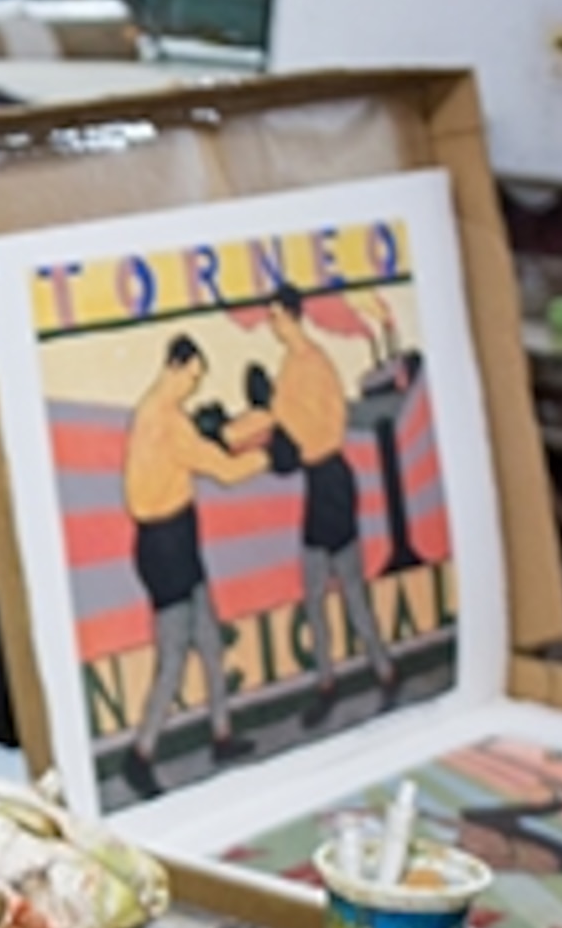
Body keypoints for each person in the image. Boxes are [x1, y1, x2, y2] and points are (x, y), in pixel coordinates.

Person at [119, 334, 269, 792]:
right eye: (194, 376)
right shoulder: (163, 421)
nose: (195, 386)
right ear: (175, 367)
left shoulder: (162, 414)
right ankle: (140, 754)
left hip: (178, 540)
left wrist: (240, 431)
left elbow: (210, 444)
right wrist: (269, 455)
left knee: (208, 639)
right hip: (167, 548)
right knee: (173, 658)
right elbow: (222, 468)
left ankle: (221, 734)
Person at [256, 281, 398, 724]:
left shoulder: (313, 365)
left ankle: (384, 672)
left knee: (349, 591)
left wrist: (279, 417)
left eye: (275, 315)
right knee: (315, 594)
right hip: (317, 482)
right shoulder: (290, 365)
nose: (271, 324)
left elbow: (321, 427)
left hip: (331, 479)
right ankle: (328, 681)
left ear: (291, 314)